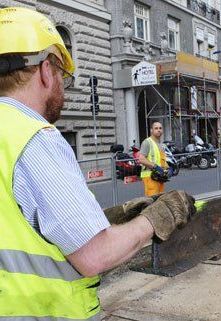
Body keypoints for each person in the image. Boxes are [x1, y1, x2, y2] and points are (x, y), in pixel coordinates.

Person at [0, 7, 195, 319]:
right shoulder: (34, 136)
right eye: (63, 75)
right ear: (46, 71)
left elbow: (15, 221)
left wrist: (105, 219)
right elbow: (95, 255)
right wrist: (157, 218)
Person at [138, 122, 170, 196]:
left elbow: (161, 159)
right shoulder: (147, 142)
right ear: (151, 130)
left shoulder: (161, 144)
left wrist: (167, 168)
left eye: (160, 128)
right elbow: (141, 159)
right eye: (156, 128)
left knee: (159, 200)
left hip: (160, 177)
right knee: (152, 201)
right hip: (150, 176)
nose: (158, 130)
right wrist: (155, 166)